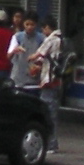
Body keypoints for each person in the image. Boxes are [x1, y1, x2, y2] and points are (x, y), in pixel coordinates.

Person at [29, 16, 65, 153]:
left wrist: (29, 58)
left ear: (47, 28)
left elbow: (39, 54)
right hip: (57, 80)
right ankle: (52, 142)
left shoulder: (51, 39)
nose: (43, 32)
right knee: (53, 111)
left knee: (47, 113)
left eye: (43, 29)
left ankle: (51, 143)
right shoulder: (62, 39)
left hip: (49, 80)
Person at [6, 15, 37, 89]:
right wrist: (15, 50)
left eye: (32, 24)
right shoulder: (17, 37)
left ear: (36, 25)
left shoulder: (41, 38)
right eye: (27, 24)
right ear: (23, 24)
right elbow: (8, 57)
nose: (29, 27)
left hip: (34, 78)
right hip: (18, 77)